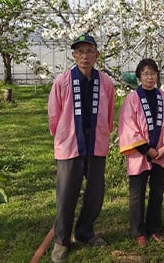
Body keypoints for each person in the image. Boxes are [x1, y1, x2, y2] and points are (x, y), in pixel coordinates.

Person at [48, 34, 115, 262]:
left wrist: (104, 133)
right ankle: (61, 240)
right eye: (80, 52)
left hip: (95, 143)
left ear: (97, 55)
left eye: (89, 51)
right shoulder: (63, 81)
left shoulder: (105, 82)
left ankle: (85, 232)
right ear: (74, 55)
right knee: (66, 194)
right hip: (70, 144)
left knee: (95, 192)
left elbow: (109, 112)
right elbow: (53, 116)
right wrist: (63, 136)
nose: (85, 56)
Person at [118, 58, 164, 248]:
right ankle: (138, 230)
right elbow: (128, 126)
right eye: (145, 73)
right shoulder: (132, 99)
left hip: (161, 153)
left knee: (157, 192)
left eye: (153, 73)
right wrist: (147, 149)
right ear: (139, 77)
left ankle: (154, 227)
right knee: (137, 194)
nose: (150, 77)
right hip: (140, 154)